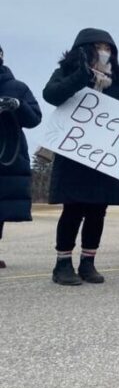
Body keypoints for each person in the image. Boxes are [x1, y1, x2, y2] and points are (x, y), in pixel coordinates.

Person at [42, 28, 119, 285]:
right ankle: (62, 263)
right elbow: (51, 94)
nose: (104, 51)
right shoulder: (68, 71)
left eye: (108, 47)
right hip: (75, 154)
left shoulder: (118, 79)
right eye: (99, 46)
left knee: (98, 210)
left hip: (104, 155)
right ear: (84, 48)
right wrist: (80, 77)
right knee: (73, 209)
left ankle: (88, 261)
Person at [0, 45, 43, 269]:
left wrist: (18, 106)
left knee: (1, 204)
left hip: (8, 150)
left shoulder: (17, 87)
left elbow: (35, 118)